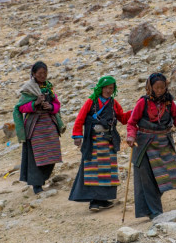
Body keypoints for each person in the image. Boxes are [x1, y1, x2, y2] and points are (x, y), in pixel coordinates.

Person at [126, 73, 176, 219]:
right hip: (145, 145)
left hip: (164, 144)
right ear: (150, 88)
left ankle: (151, 208)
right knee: (147, 179)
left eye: (162, 87)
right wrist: (131, 136)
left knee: (163, 177)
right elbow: (131, 122)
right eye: (157, 88)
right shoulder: (142, 102)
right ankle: (155, 212)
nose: (160, 90)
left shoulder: (169, 102)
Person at [69, 76, 132, 211]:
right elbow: (80, 118)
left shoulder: (114, 103)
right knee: (94, 170)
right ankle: (94, 201)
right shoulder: (91, 102)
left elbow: (123, 118)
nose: (109, 90)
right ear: (101, 88)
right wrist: (77, 135)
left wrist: (136, 111)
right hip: (93, 141)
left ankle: (103, 200)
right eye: (107, 87)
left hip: (108, 142)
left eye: (111, 88)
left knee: (107, 170)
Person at [13, 61, 65, 194]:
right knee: (37, 155)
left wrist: (51, 107)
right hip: (35, 127)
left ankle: (43, 178)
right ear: (34, 74)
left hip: (49, 124)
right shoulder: (29, 88)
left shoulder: (49, 87)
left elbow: (57, 105)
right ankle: (37, 185)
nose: (43, 76)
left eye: (45, 73)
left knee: (52, 152)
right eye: (40, 73)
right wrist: (35, 104)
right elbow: (20, 108)